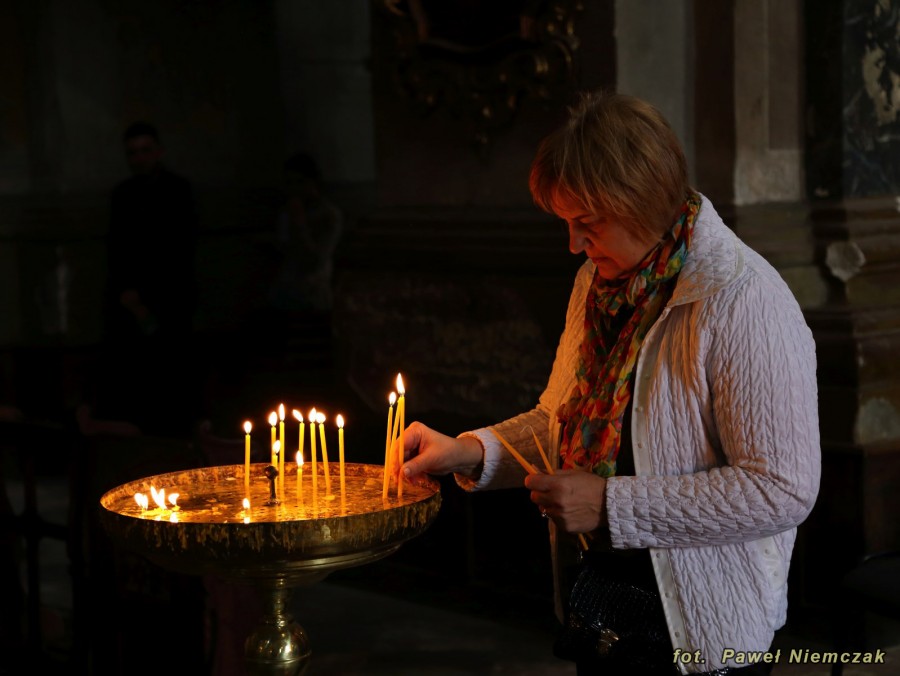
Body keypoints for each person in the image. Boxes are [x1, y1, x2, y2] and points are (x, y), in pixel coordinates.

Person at [398, 91, 821, 674]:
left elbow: (782, 489)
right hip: (602, 609)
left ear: (640, 205)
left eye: (587, 224)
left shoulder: (742, 298)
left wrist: (609, 504)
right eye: (566, 223)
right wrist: (469, 451)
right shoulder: (597, 283)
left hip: (705, 633)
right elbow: (558, 418)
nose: (574, 244)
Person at [95, 121, 200, 437]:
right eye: (132, 153)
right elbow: (117, 248)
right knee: (135, 381)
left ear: (159, 151)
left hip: (170, 301)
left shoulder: (178, 191)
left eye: (145, 151)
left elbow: (179, 249)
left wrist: (148, 298)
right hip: (129, 303)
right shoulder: (123, 194)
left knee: (170, 379)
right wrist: (127, 294)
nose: (139, 159)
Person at [267, 152, 343, 317]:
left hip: (313, 296)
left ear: (313, 181)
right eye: (289, 183)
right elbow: (284, 247)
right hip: (285, 292)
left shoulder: (329, 215)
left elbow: (316, 261)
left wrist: (300, 224)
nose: (295, 189)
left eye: (300, 182)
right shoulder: (287, 211)